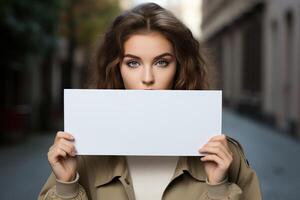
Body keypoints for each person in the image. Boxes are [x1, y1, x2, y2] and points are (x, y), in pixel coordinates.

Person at [39, 3, 262, 200]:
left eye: (162, 62)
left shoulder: (225, 155)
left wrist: (218, 190)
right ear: (117, 68)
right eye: (133, 63)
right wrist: (67, 185)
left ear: (181, 68)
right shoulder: (83, 149)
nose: (147, 78)